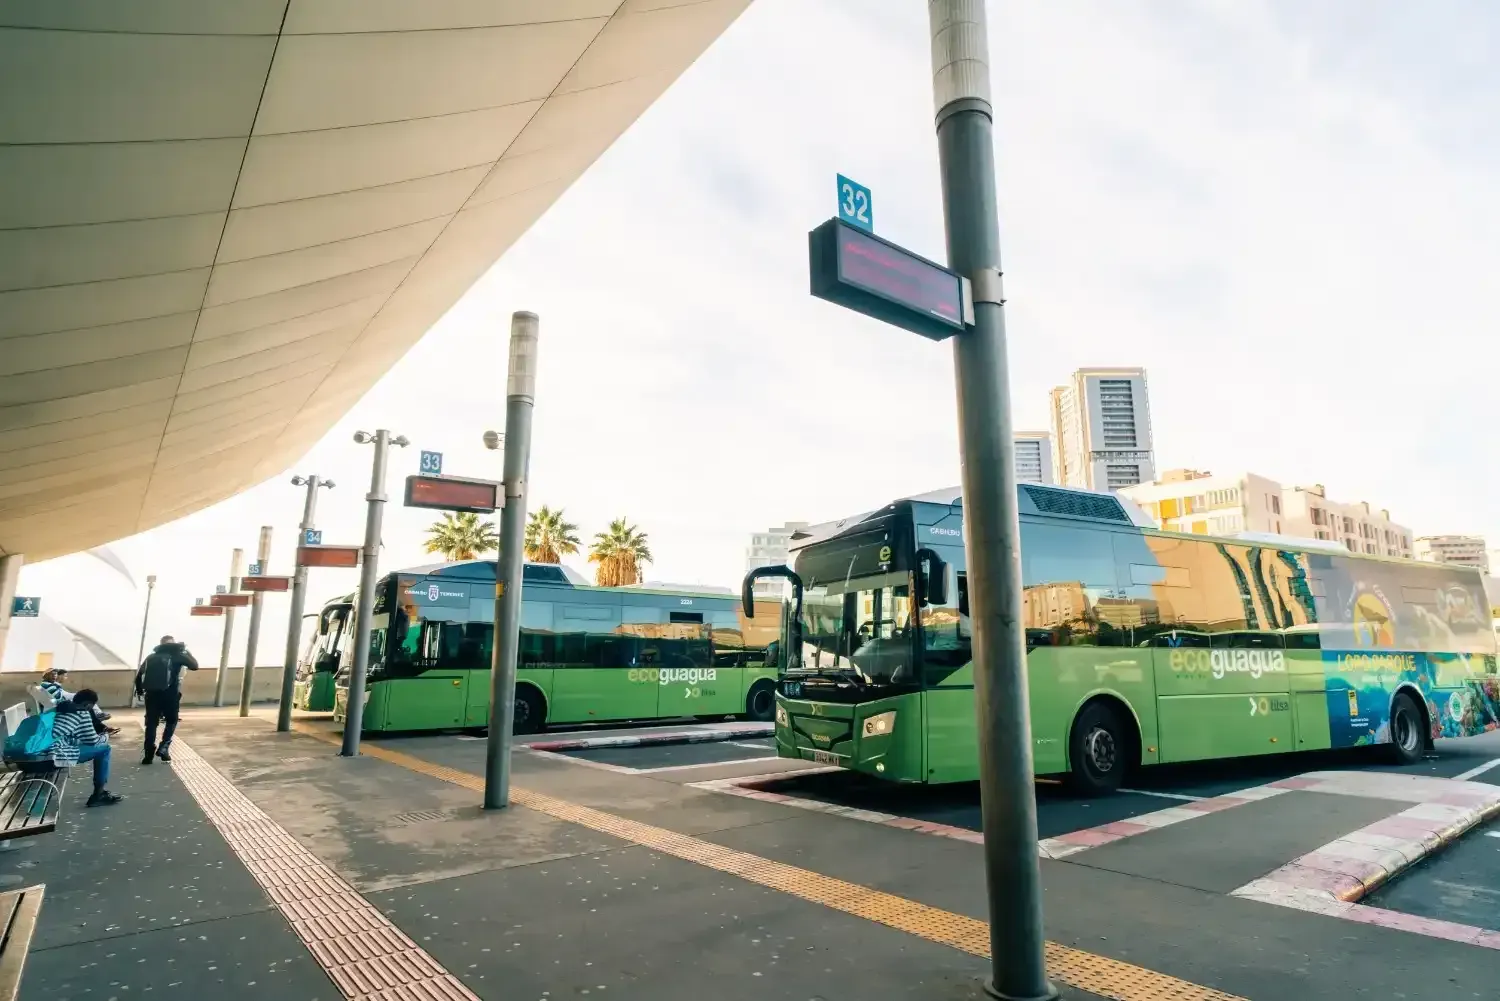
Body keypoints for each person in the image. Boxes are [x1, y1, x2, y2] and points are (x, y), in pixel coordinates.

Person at [51, 689, 121, 807]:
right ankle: (98, 794)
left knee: (90, 747)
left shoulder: (59, 708)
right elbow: (93, 741)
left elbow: (65, 734)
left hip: (36, 755)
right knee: (104, 750)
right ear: (88, 704)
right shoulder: (82, 712)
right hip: (52, 756)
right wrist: (106, 736)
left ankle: (100, 794)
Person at [135, 635, 198, 764]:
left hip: (151, 695)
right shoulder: (177, 655)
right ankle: (164, 747)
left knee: (151, 724)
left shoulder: (151, 657)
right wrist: (185, 650)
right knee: (171, 720)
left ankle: (148, 753)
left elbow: (139, 676)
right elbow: (194, 666)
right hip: (170, 695)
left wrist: (141, 691)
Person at [39, 668, 119, 735]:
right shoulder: (49, 686)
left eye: (55, 674)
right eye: (52, 674)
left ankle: (101, 727)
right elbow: (59, 698)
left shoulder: (48, 685)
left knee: (87, 706)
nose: (54, 676)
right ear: (46, 676)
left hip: (59, 706)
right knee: (86, 707)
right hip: (60, 708)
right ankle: (100, 727)